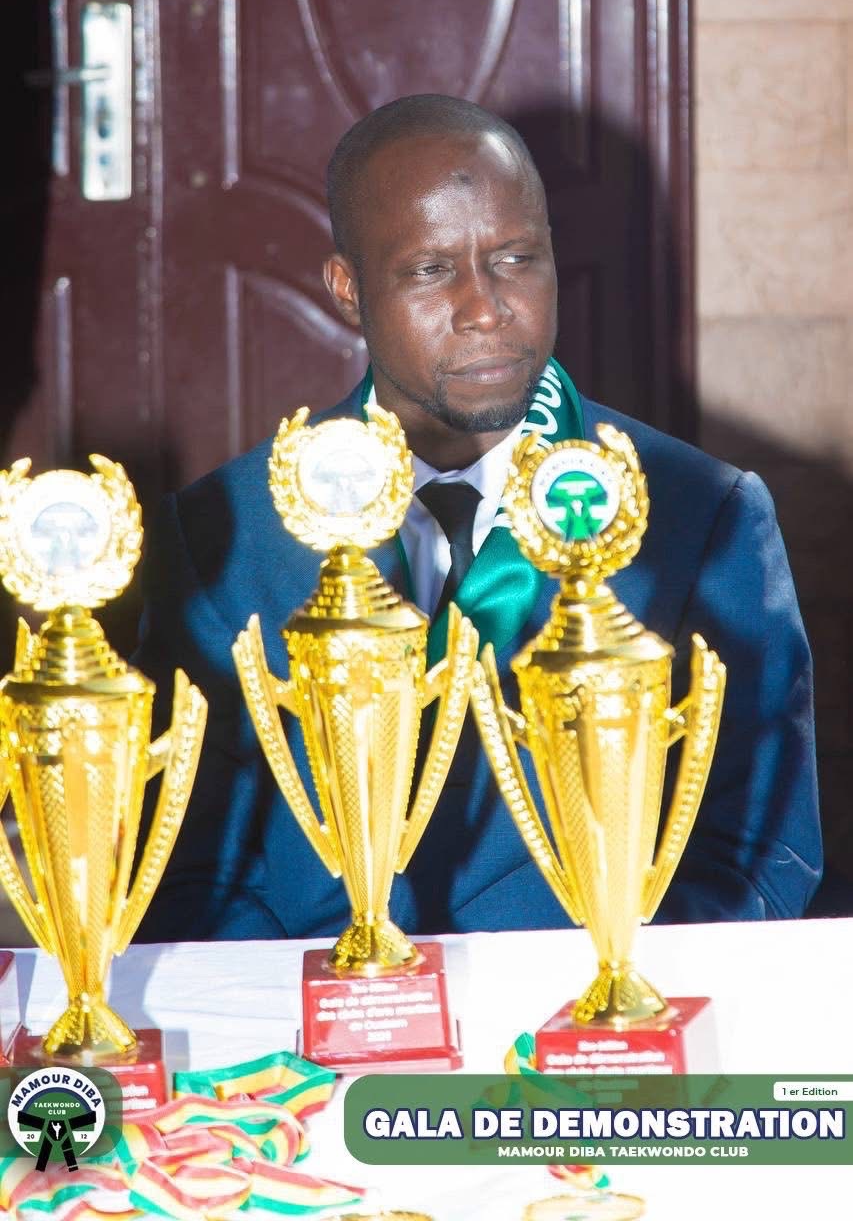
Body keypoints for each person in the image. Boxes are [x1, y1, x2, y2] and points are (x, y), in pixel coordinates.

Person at [134, 94, 821, 941]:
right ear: (348, 289)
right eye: (430, 270)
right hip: (306, 1042)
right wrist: (307, 1021)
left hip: (591, 1032)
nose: (485, 306)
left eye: (515, 258)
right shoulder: (224, 533)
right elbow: (187, 864)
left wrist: (604, 1001)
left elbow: (757, 851)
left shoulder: (697, 512)